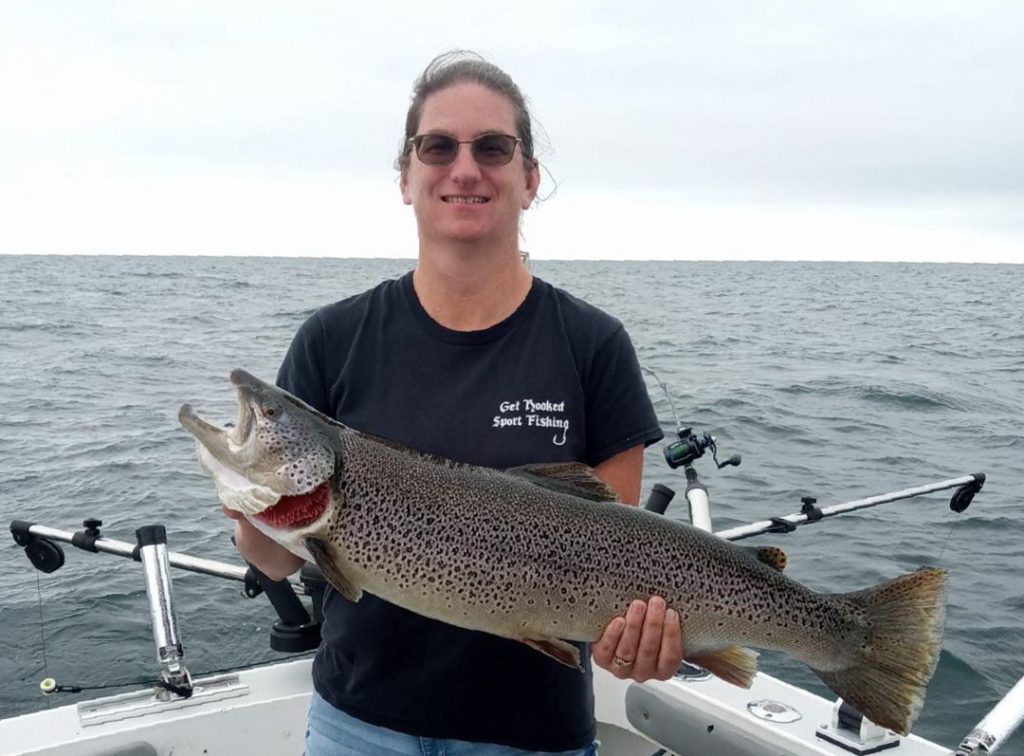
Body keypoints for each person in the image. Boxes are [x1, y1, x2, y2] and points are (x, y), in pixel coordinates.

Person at [225, 51, 682, 755]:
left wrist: (636, 640)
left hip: (533, 737)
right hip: (357, 728)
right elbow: (278, 562)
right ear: (406, 177)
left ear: (530, 180)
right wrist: (256, 508)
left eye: (492, 148)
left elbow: (615, 563)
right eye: (437, 146)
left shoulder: (594, 346)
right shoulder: (332, 340)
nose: (464, 168)